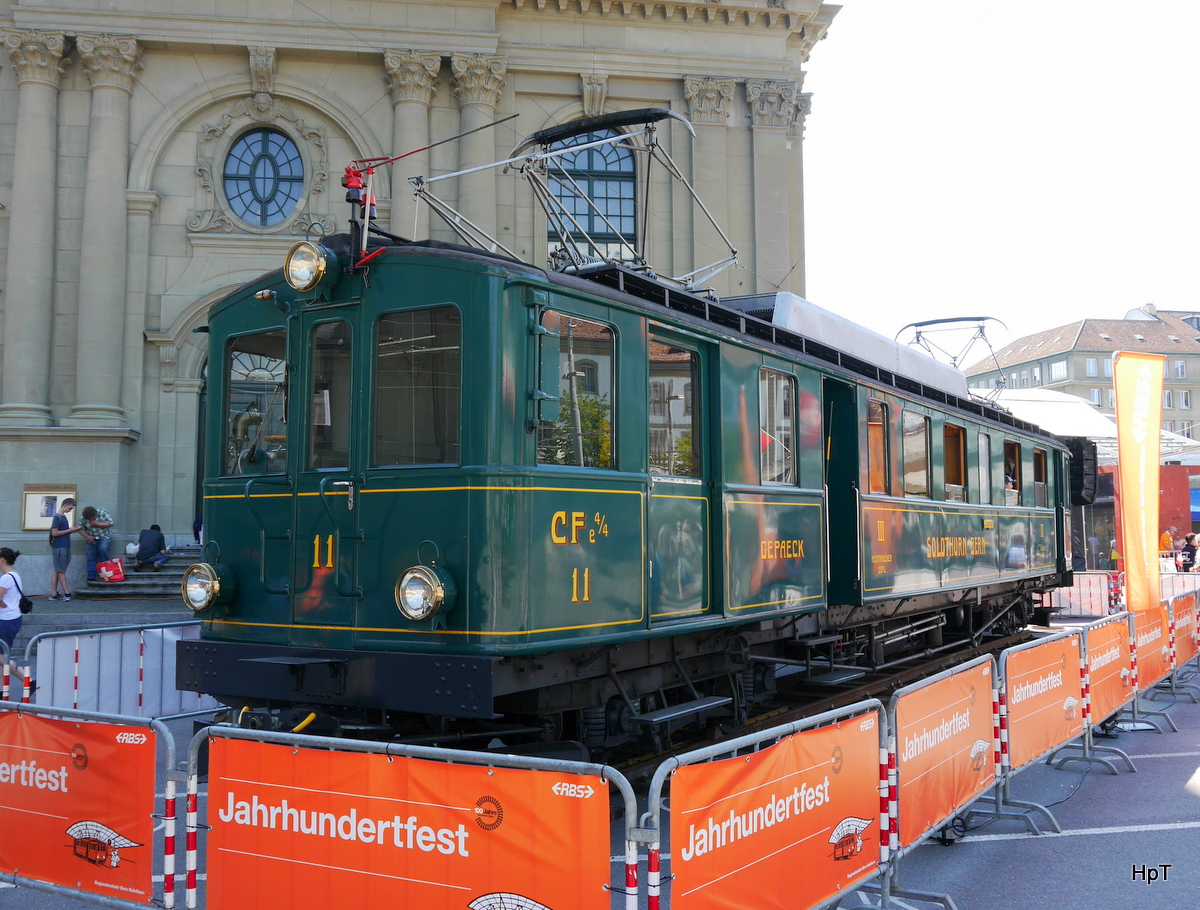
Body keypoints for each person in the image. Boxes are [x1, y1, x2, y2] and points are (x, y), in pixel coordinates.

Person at [49, 497, 80, 601]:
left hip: (64, 546)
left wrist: (70, 530)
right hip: (59, 547)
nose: (70, 510)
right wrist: (70, 530)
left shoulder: (62, 517)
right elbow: (54, 533)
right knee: (61, 571)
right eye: (70, 508)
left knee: (58, 570)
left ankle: (53, 593)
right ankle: (66, 593)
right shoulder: (57, 517)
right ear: (65, 505)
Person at [0, 548, 27, 652]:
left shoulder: (6, 578)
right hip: (13, 617)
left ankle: (19, 669)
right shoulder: (15, 575)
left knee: (2, 656)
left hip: (6, 619)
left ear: (1, 560)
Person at [80, 504, 114, 583]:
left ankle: (105, 572)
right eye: (89, 519)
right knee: (90, 555)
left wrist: (97, 524)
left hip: (104, 536)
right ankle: (91, 575)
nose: (91, 520)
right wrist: (87, 537)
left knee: (103, 548)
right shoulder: (83, 518)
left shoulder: (102, 512)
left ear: (95, 514)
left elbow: (111, 523)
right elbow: (80, 529)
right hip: (91, 537)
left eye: (93, 518)